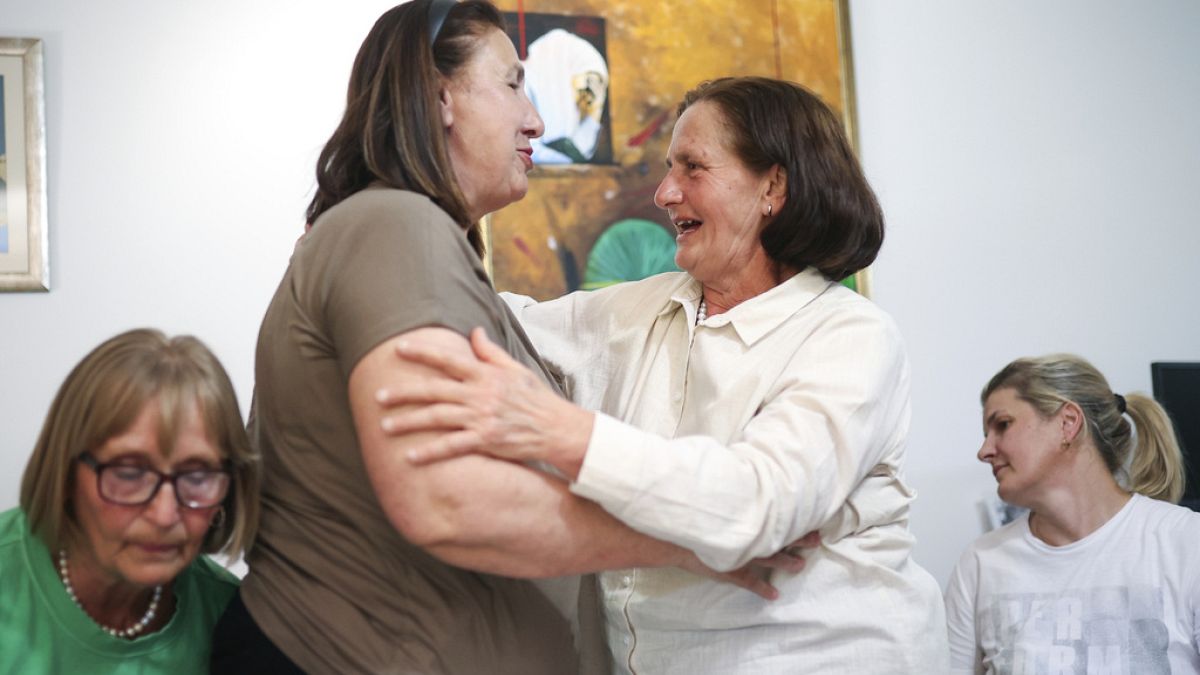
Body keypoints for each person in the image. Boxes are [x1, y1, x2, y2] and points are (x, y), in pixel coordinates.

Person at [216, 4, 786, 674]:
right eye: (514, 84)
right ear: (440, 96)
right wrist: (689, 541)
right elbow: (443, 495)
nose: (537, 119)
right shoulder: (395, 225)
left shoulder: (412, 242)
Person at [379, 76, 949, 673]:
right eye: (668, 167)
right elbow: (499, 324)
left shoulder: (852, 337)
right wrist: (388, 250)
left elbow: (755, 507)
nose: (665, 192)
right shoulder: (639, 310)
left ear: (772, 187)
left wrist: (558, 431)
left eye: (693, 168)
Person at [0, 328, 259, 674]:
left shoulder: (231, 623)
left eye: (197, 477)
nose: (165, 515)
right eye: (129, 473)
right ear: (65, 474)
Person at [944, 354, 1200, 673]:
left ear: (1068, 422)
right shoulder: (981, 564)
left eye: (1002, 425)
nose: (984, 451)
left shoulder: (1187, 542)